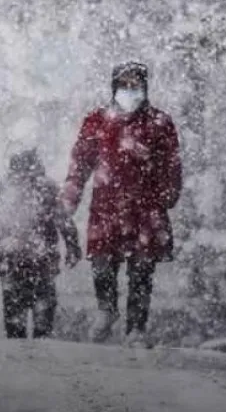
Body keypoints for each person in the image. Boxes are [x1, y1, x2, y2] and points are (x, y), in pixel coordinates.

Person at [61, 61, 183, 348]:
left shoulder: (159, 123)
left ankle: (136, 328)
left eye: (135, 84)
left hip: (145, 209)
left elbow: (171, 164)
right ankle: (107, 309)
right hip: (107, 208)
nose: (130, 90)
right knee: (102, 262)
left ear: (145, 87)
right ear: (114, 87)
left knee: (141, 271)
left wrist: (168, 193)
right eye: (124, 84)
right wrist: (69, 198)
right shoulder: (97, 121)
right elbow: (80, 164)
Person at [0, 148, 82, 339]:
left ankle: (17, 345)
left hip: (12, 260)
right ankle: (39, 343)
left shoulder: (3, 190)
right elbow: (64, 221)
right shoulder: (47, 188)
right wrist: (72, 247)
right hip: (42, 260)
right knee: (43, 314)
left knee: (14, 316)